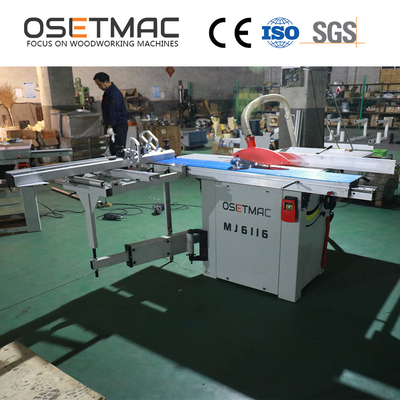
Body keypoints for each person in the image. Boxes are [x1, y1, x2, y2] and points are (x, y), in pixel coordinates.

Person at [93, 72, 128, 157]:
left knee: (118, 149)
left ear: (105, 82)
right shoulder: (107, 92)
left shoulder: (114, 93)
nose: (99, 87)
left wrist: (110, 126)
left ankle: (120, 165)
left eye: (100, 84)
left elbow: (113, 111)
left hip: (118, 125)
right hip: (113, 125)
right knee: (113, 149)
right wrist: (104, 118)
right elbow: (107, 108)